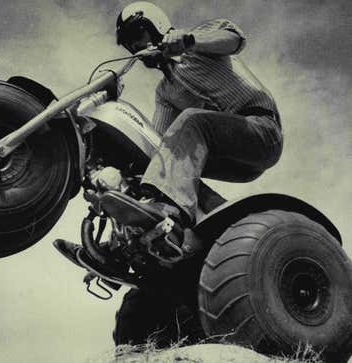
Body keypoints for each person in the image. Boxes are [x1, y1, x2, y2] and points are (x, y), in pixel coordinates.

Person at [55, 1, 283, 263]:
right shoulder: (165, 92)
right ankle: (201, 227)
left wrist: (189, 40)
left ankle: (170, 212)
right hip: (228, 154)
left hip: (261, 131)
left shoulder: (199, 45)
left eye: (137, 36)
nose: (136, 48)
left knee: (192, 123)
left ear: (157, 26)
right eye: (129, 44)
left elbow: (233, 39)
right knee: (162, 164)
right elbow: (158, 146)